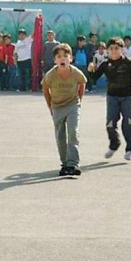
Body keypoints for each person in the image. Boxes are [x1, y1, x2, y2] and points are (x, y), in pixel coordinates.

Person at [87, 36, 131, 161]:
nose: (113, 51)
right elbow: (94, 78)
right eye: (111, 48)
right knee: (110, 124)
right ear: (107, 50)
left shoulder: (128, 62)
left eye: (116, 48)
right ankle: (114, 144)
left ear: (122, 49)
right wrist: (90, 70)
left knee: (128, 122)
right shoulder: (106, 64)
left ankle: (130, 149)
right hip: (112, 97)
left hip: (127, 97)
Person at [42, 43, 87, 177]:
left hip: (73, 104)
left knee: (73, 131)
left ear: (71, 58)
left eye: (65, 56)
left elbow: (82, 83)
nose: (63, 59)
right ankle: (65, 163)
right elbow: (45, 88)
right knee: (60, 135)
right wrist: (49, 105)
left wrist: (79, 100)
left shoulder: (75, 72)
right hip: (57, 106)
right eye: (59, 57)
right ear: (55, 60)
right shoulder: (51, 74)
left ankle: (73, 163)